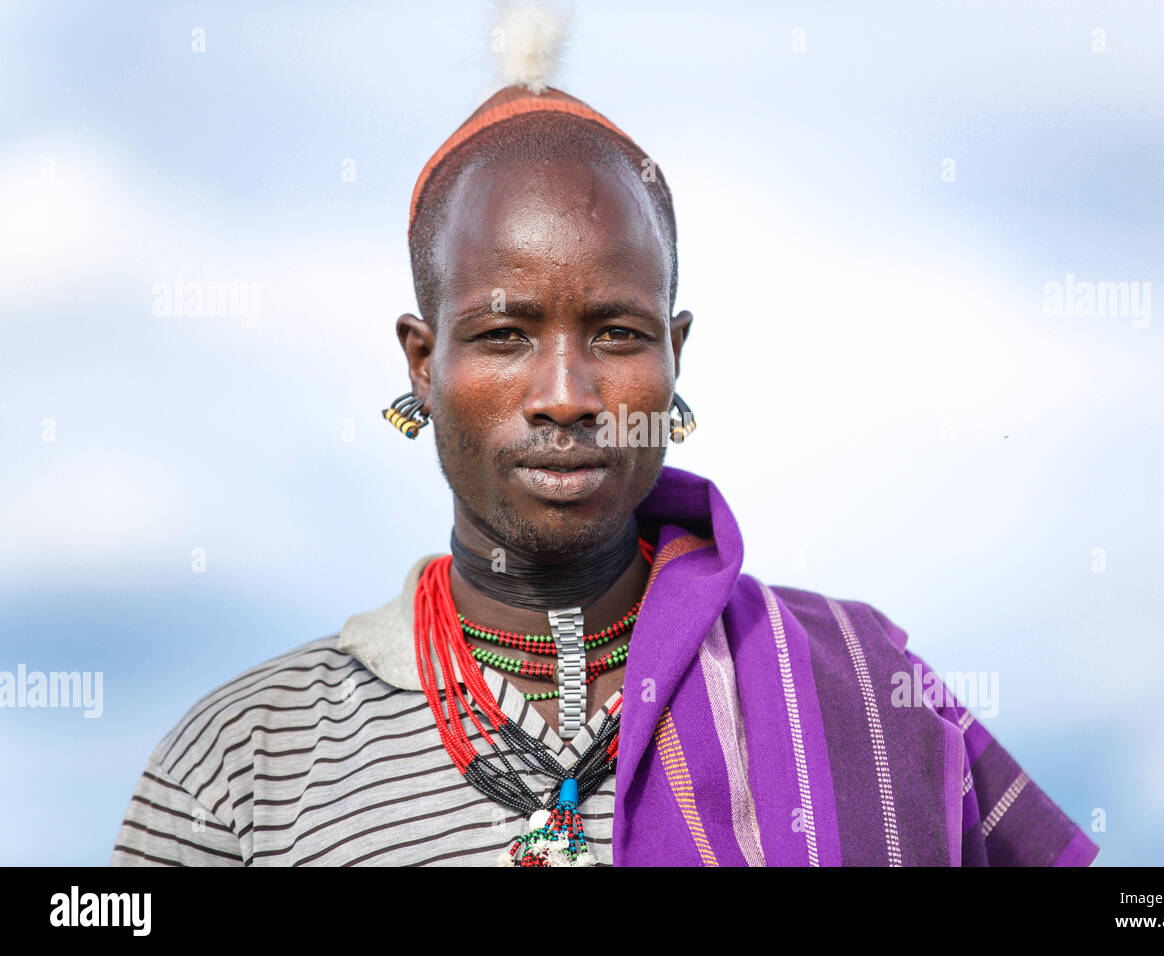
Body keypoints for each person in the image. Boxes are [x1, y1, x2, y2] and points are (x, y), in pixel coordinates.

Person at [111, 4, 1098, 867]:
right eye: (504, 334)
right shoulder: (242, 763)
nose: (567, 393)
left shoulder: (867, 691)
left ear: (674, 356)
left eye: (616, 334)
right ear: (421, 362)